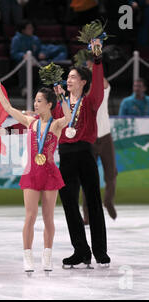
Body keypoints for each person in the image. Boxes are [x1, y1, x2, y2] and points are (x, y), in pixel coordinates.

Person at [0, 82, 71, 273]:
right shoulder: (30, 122)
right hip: (32, 173)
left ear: (49, 104)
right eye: (35, 100)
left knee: (48, 217)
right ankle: (27, 257)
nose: (35, 104)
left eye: (39, 101)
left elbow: (69, 116)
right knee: (30, 216)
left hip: (50, 174)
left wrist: (62, 96)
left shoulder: (57, 124)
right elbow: (8, 108)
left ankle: (47, 256)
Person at [52, 39, 111, 268]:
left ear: (83, 81)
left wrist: (97, 59)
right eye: (68, 77)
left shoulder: (90, 101)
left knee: (94, 203)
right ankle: (81, 250)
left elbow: (98, 84)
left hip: (85, 153)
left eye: (73, 77)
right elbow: (47, 122)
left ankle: (100, 251)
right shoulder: (60, 105)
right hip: (65, 155)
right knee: (68, 203)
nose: (68, 79)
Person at [82, 57, 117, 224]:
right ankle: (87, 215)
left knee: (111, 173)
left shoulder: (103, 88)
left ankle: (108, 201)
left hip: (105, 135)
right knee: (88, 177)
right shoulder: (83, 93)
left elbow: (102, 82)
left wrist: (94, 67)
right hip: (89, 139)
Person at [10, 20, 67, 96]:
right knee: (24, 66)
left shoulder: (35, 39)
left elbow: (39, 50)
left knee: (45, 65)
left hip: (35, 61)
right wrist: (22, 55)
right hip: (21, 62)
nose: (31, 30)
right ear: (23, 30)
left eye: (32, 28)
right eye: (29, 28)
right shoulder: (16, 39)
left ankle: (42, 88)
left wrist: (42, 53)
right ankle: (24, 88)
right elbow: (13, 53)